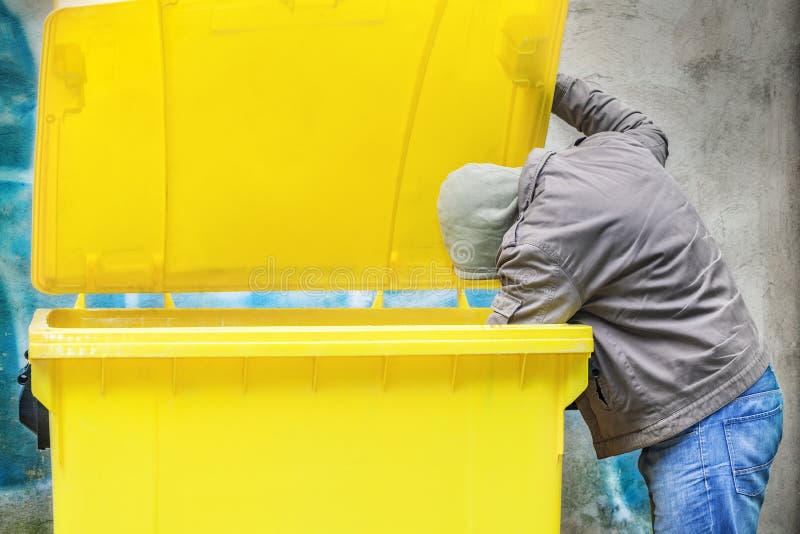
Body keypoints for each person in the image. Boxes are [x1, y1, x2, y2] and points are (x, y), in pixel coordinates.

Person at [437, 74, 783, 533]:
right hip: (728, 397)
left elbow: (504, 352)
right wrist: (547, 82)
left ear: (505, 235)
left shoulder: (543, 245)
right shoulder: (615, 151)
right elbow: (643, 126)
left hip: (706, 425)